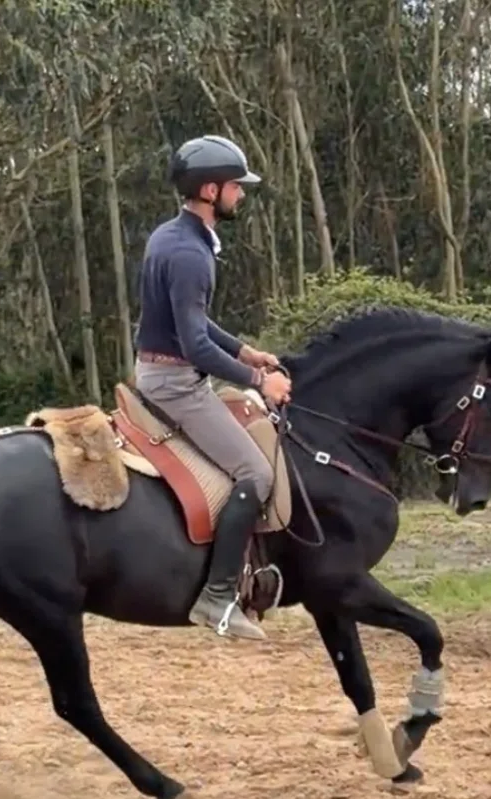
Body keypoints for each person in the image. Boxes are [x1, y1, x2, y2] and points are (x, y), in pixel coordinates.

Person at [133, 134, 292, 640]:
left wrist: (245, 351)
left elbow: (197, 325)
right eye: (234, 187)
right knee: (255, 473)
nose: (240, 195)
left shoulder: (172, 236)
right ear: (209, 190)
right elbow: (196, 346)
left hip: (161, 369)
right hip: (176, 383)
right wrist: (259, 381)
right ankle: (218, 598)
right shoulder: (191, 256)